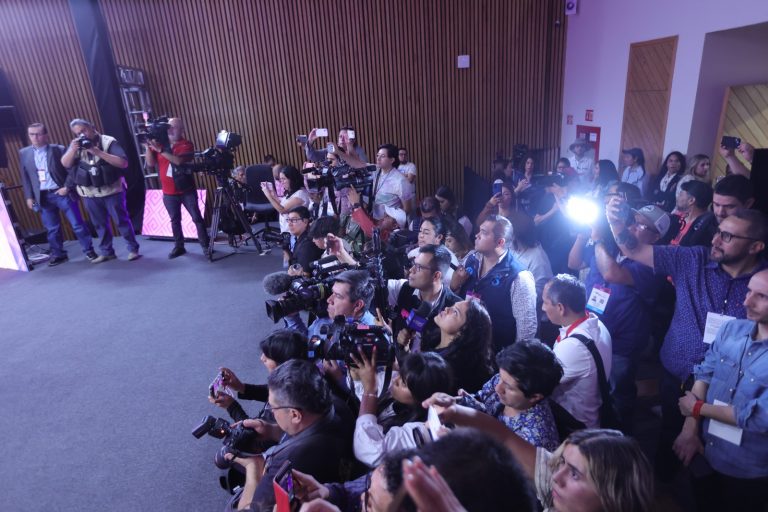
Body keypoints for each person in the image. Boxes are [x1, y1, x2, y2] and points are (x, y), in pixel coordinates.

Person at [607, 200, 768, 480]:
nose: (716, 239)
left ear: (755, 246)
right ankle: (662, 488)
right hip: (679, 371)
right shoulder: (693, 259)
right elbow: (634, 249)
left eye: (727, 236)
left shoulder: (762, 284)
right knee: (669, 435)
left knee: (720, 455)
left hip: (731, 384)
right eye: (718, 231)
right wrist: (614, 223)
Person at [424, 396, 655, 512]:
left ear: (612, 494)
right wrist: (454, 411)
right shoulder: (561, 489)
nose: (556, 476)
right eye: (562, 462)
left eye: (575, 474)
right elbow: (503, 437)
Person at [673, 269, 768, 511]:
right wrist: (691, 427)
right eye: (749, 291)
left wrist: (696, 408)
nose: (747, 301)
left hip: (748, 471)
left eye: (762, 296)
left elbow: (758, 417)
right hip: (705, 449)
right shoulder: (731, 329)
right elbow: (705, 371)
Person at [569, 208, 668, 431]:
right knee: (589, 389)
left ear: (656, 236)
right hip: (590, 332)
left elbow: (611, 274)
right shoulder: (610, 247)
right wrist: (583, 235)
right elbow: (574, 263)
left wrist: (598, 241)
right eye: (631, 221)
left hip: (621, 343)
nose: (631, 227)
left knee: (618, 394)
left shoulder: (654, 263)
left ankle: (620, 443)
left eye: (641, 225)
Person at [292, 428, 538, 512]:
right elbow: (355, 492)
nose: (360, 499)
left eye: (369, 505)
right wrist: (329, 494)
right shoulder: (395, 480)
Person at [225, 360, 351, 511]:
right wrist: (272, 430)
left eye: (273, 407)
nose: (271, 412)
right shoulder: (338, 405)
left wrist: (254, 467)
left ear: (295, 415)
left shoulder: (286, 464)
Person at [352, 351, 455, 467]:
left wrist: (370, 391)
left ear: (422, 398)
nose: (395, 380)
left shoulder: (421, 429)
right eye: (400, 374)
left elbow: (370, 451)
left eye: (404, 384)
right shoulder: (397, 391)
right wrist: (356, 377)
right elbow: (365, 389)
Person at [453, 215, 538, 352]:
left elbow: (526, 328)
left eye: (484, 232)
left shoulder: (519, 277)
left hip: (497, 354)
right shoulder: (471, 260)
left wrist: (512, 363)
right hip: (466, 346)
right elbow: (457, 301)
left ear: (500, 242)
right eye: (479, 230)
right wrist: (454, 286)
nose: (477, 235)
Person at [61, 118, 140, 262]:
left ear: (92, 127)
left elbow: (123, 163)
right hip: (89, 193)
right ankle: (106, 251)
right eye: (78, 133)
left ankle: (133, 249)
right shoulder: (77, 145)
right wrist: (72, 150)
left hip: (112, 191)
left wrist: (97, 152)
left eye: (83, 131)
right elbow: (65, 163)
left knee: (121, 221)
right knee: (99, 224)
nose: (82, 135)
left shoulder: (108, 141)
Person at [460, 339, 562, 450]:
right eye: (500, 377)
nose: (498, 388)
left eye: (508, 387)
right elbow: (482, 399)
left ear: (535, 397)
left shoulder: (535, 441)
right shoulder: (505, 379)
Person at [541, 274, 612, 429]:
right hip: (592, 415)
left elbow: (540, 383)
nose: (543, 308)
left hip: (575, 426)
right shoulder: (597, 323)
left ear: (560, 308)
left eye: (545, 303)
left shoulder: (573, 346)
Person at [19, 122, 95, 265]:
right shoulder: (24, 153)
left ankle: (89, 250)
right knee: (52, 229)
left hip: (62, 193)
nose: (35, 137)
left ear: (46, 135)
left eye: (38, 134)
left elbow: (72, 170)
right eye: (31, 134)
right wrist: (29, 196)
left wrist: (66, 187)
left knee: (77, 225)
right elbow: (25, 176)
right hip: (43, 196)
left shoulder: (58, 149)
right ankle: (59, 254)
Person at [144, 117, 209, 258]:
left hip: (186, 190)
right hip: (168, 192)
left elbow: (178, 161)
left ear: (182, 130)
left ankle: (205, 245)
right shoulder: (160, 144)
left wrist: (160, 150)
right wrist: (148, 147)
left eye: (175, 127)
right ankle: (179, 246)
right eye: (169, 127)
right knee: (174, 220)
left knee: (197, 218)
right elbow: (150, 164)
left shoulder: (186, 144)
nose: (171, 130)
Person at [212, 329, 308, 423]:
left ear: (285, 364)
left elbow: (256, 435)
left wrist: (231, 406)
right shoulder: (300, 379)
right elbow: (273, 391)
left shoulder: (286, 407)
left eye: (268, 356)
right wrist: (241, 387)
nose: (262, 358)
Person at [388, 244, 461, 354]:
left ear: (436, 276)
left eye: (418, 267)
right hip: (399, 364)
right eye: (413, 265)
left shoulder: (455, 309)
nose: (411, 270)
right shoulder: (404, 288)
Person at [432, 298, 494, 393]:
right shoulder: (432, 340)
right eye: (452, 306)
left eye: (455, 312)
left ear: (465, 330)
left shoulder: (450, 370)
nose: (447, 308)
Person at [308, 269, 377, 339]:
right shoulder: (327, 319)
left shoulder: (371, 337)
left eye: (338, 296)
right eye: (332, 293)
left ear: (357, 305)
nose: (329, 300)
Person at [260, 165, 311, 234]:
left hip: (296, 233)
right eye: (280, 179)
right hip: (288, 230)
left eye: (284, 179)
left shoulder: (300, 194)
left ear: (292, 179)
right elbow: (282, 204)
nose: (281, 182)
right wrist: (273, 194)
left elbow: (282, 210)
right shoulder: (290, 192)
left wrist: (267, 195)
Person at [668, 179, 716, 247]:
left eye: (681, 194)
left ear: (691, 200)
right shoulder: (677, 216)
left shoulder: (702, 231)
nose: (677, 197)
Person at [370, 143, 413, 218]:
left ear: (392, 160)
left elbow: (407, 209)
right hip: (374, 220)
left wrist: (391, 220)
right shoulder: (375, 171)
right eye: (377, 155)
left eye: (382, 156)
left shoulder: (401, 181)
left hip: (390, 224)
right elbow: (358, 164)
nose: (378, 158)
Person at [285, 206, 323, 275]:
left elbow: (306, 275)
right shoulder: (301, 238)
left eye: (294, 220)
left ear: (305, 222)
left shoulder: (307, 245)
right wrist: (286, 249)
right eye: (288, 220)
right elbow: (291, 263)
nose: (289, 224)